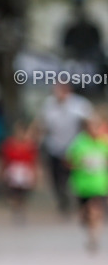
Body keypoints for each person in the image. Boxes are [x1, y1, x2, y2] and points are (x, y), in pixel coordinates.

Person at [39, 82, 92, 217]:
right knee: (56, 178)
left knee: (73, 176)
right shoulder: (49, 105)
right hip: (54, 147)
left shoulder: (79, 105)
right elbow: (43, 124)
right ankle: (63, 201)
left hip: (74, 148)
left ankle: (78, 201)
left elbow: (88, 123)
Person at [65, 110, 108, 252]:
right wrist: (81, 164)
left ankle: (93, 237)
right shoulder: (79, 143)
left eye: (96, 126)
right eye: (91, 126)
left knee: (95, 210)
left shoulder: (104, 142)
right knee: (86, 214)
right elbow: (68, 162)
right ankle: (86, 222)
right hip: (83, 185)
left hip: (100, 184)